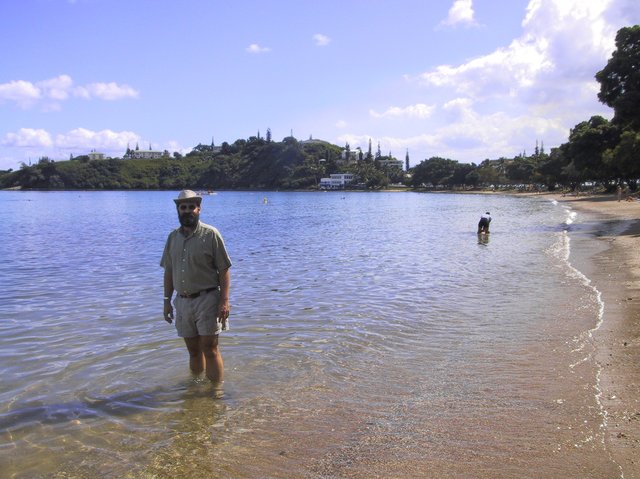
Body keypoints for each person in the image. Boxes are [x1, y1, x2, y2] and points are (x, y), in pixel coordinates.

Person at [161, 190, 232, 383]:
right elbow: (168, 271)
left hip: (208, 299)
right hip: (183, 302)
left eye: (191, 207)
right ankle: (194, 392)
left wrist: (224, 301)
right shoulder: (172, 238)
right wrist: (167, 301)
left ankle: (215, 393)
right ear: (178, 210)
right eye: (183, 207)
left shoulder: (211, 234)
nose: (187, 211)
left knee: (210, 348)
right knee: (193, 351)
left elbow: (224, 269)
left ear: (198, 209)